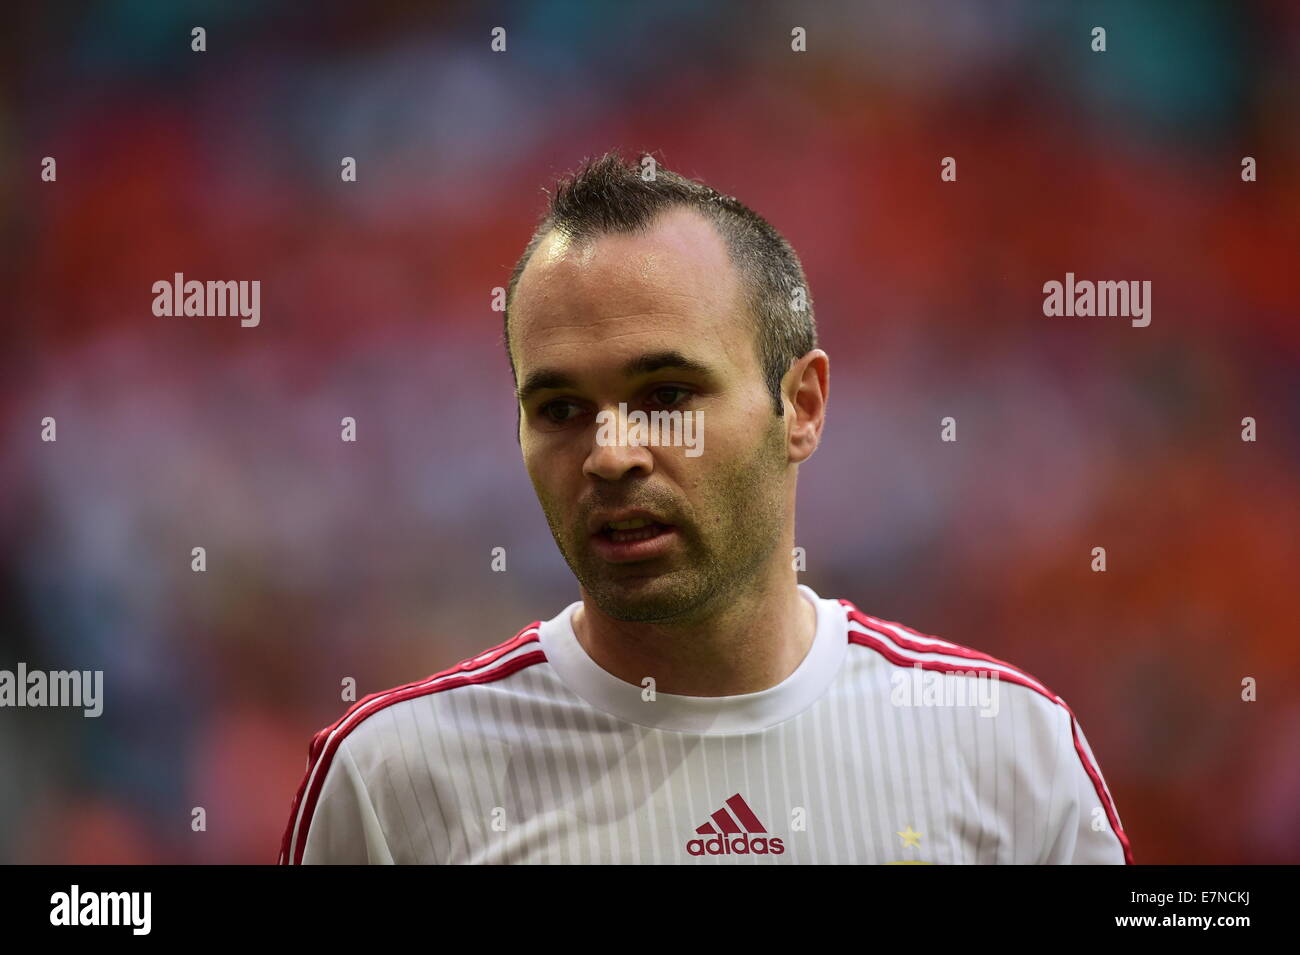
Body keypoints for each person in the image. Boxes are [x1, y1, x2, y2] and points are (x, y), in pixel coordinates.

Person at [279, 151, 1132, 864]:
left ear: (800, 407)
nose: (612, 454)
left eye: (667, 394)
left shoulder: (1010, 751)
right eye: (561, 408)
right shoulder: (391, 782)